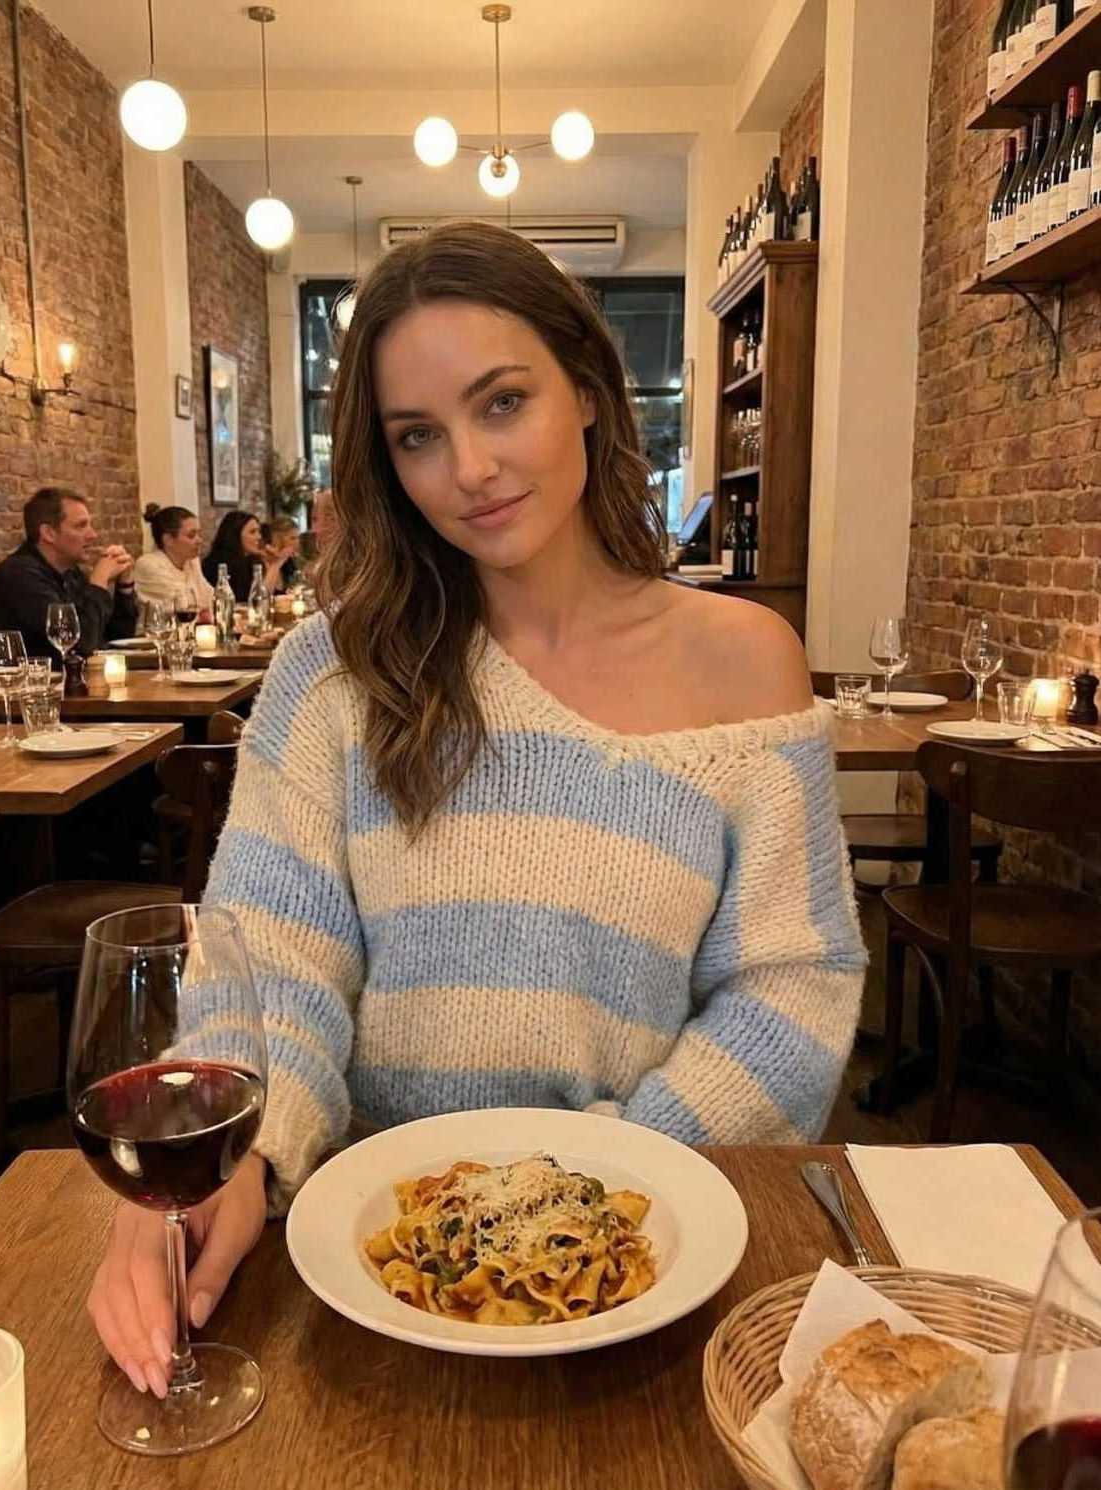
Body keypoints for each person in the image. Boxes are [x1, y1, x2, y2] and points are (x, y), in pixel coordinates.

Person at [87, 221, 866, 1397]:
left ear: (590, 389)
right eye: (418, 436)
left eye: (502, 403)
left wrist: (613, 1179)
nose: (470, 468)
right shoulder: (332, 674)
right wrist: (237, 1161)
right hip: (360, 1265)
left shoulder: (748, 661)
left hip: (647, 1261)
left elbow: (793, 978)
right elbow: (273, 955)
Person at [0, 486, 136, 681]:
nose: (92, 535)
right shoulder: (20, 575)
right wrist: (98, 582)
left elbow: (115, 640)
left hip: (61, 690)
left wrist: (124, 587)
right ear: (48, 533)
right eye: (81, 526)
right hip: (11, 697)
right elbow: (81, 644)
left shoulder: (70, 573)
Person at [132, 505, 213, 618]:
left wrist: (204, 609)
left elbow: (210, 600)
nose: (199, 540)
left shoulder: (191, 561)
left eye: (199, 534)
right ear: (168, 540)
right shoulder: (148, 564)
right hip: (154, 634)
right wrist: (203, 609)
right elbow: (181, 607)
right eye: (191, 535)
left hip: (192, 632)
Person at [201, 510, 283, 603]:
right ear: (235, 535)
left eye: (258, 531)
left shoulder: (252, 561)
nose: (259, 537)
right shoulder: (218, 564)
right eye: (252, 532)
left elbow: (274, 593)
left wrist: (270, 563)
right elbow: (254, 602)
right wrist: (276, 564)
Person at [262, 514, 303, 590]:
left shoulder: (289, 562)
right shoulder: (261, 562)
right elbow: (264, 594)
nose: (297, 542)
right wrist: (279, 561)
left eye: (298, 538)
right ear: (276, 540)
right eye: (292, 538)